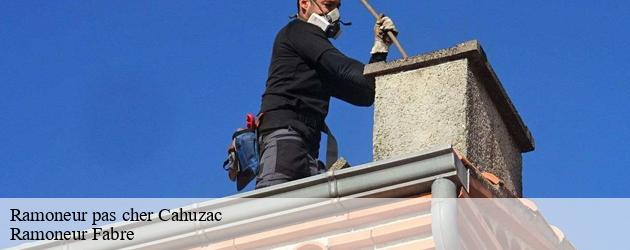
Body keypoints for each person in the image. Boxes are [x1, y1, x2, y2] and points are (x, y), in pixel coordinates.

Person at [255, 0, 398, 189]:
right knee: (274, 209)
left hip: (304, 146)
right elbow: (344, 68)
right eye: (328, 5)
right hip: (286, 142)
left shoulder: (315, 60)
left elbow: (365, 93)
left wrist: (380, 49)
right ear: (304, 4)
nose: (334, 13)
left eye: (337, 7)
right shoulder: (298, 31)